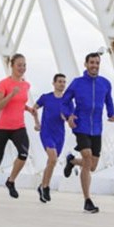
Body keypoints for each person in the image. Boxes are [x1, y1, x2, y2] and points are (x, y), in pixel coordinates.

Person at [61, 52, 114, 213]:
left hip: (97, 128)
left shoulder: (105, 83)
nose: (94, 65)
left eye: (97, 63)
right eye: (91, 62)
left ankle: (71, 162)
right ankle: (87, 200)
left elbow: (109, 100)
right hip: (81, 125)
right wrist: (69, 116)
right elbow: (65, 102)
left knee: (92, 166)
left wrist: (111, 113)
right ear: (85, 64)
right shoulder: (77, 83)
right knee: (86, 156)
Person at [0, 53, 37, 207]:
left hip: (18, 127)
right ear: (12, 65)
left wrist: (28, 109)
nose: (22, 68)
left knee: (24, 153)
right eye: (19, 65)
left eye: (24, 65)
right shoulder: (4, 84)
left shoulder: (26, 85)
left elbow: (19, 103)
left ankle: (11, 180)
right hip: (1, 128)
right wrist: (11, 94)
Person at [32, 73, 68, 203]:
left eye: (64, 82)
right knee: (52, 158)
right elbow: (34, 109)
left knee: (51, 162)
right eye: (59, 81)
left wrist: (67, 117)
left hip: (60, 134)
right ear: (53, 83)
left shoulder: (67, 100)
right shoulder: (46, 97)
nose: (62, 84)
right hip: (46, 132)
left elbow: (70, 116)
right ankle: (46, 187)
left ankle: (42, 186)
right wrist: (37, 123)